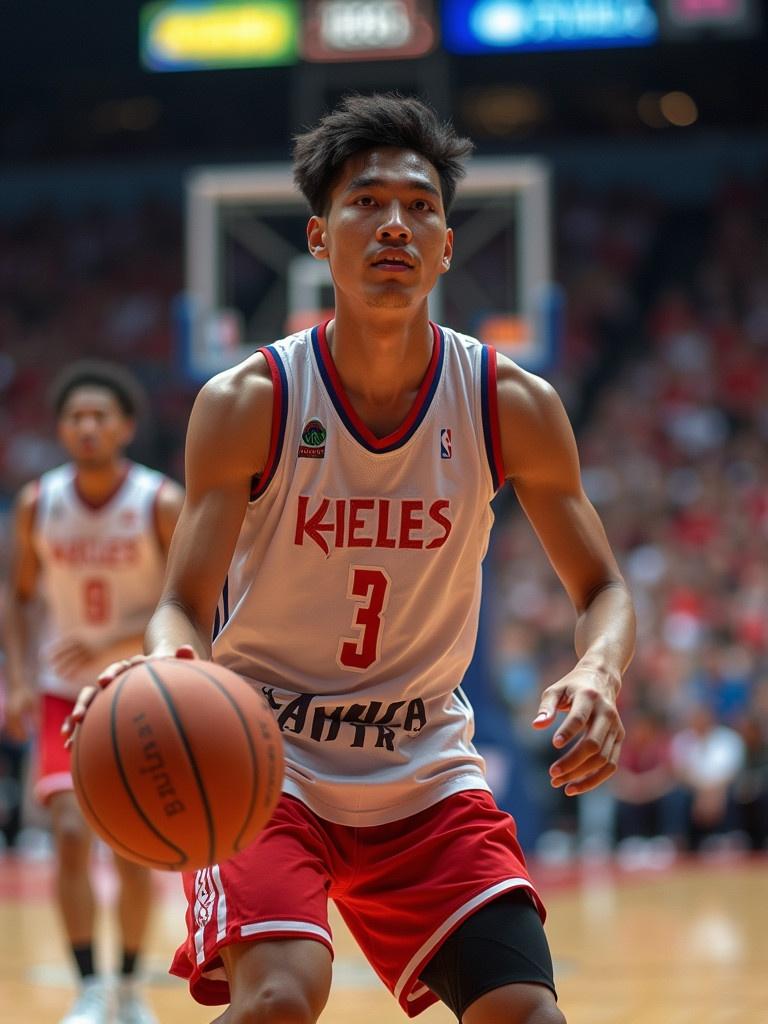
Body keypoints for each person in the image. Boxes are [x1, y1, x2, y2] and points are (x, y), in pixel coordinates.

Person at [68, 94, 635, 1024]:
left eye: (419, 207)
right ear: (319, 239)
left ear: (449, 247)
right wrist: (170, 665)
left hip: (423, 762)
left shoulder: (510, 403)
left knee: (528, 1014)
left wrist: (602, 668)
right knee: (284, 997)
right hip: (264, 761)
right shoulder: (250, 398)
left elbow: (604, 587)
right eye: (366, 203)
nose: (395, 226)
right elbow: (181, 604)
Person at [4, 360, 184, 1024]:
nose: (86, 426)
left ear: (125, 427)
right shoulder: (37, 503)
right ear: (60, 428)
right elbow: (18, 598)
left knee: (134, 844)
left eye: (99, 416)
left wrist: (115, 639)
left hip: (140, 690)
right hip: (59, 694)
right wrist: (19, 678)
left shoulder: (160, 501)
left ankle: (130, 987)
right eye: (75, 416)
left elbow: (192, 595)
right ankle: (87, 985)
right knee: (72, 834)